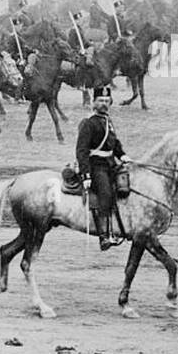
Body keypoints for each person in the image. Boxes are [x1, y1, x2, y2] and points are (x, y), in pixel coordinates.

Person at [75, 86, 127, 250]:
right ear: (94, 102)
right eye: (100, 101)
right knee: (105, 194)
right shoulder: (89, 123)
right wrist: (86, 175)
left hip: (111, 164)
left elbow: (113, 142)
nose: (104, 104)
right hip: (96, 166)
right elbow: (81, 150)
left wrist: (123, 155)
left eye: (106, 101)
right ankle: (104, 236)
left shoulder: (107, 120)